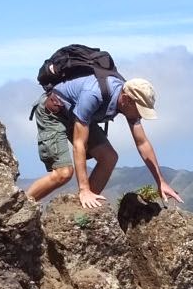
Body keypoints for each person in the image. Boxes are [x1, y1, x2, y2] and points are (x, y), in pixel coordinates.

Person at [26, 70, 183, 208]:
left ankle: (83, 209)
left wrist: (160, 182)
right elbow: (79, 144)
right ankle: (20, 208)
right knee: (64, 173)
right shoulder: (93, 94)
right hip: (54, 112)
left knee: (109, 157)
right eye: (139, 109)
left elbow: (142, 143)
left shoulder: (129, 105)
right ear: (126, 99)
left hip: (79, 115)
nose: (140, 115)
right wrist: (83, 188)